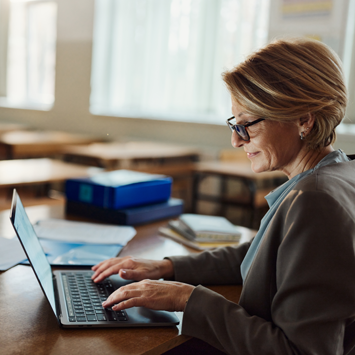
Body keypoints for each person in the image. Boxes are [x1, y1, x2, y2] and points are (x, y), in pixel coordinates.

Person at [91, 38, 355, 354]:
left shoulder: (314, 199)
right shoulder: (337, 172)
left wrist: (186, 299)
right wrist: (166, 268)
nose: (235, 140)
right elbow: (262, 255)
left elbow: (298, 350)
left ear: (304, 119)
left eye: (247, 125)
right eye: (234, 124)